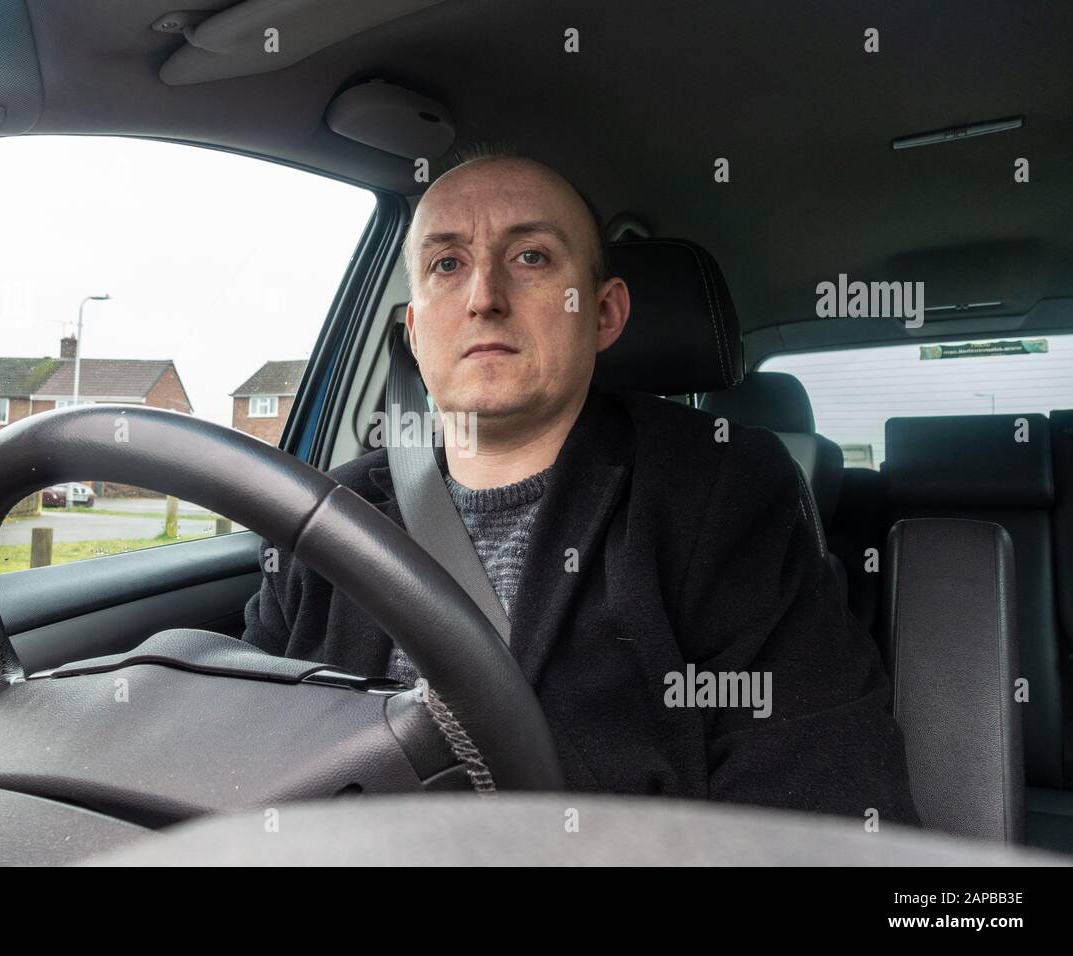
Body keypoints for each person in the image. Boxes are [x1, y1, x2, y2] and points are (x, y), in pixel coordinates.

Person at [242, 151, 919, 823]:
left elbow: (818, 803)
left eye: (530, 257)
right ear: (415, 333)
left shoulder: (721, 492)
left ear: (604, 313)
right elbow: (243, 756)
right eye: (447, 265)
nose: (484, 298)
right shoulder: (325, 514)